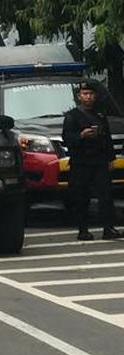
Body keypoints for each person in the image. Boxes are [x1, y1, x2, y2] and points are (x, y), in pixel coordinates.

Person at [62, 81, 123, 240]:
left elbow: (107, 138)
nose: (88, 97)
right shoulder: (72, 116)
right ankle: (83, 230)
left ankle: (108, 228)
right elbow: (67, 138)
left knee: (106, 195)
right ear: (79, 96)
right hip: (81, 162)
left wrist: (111, 158)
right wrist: (81, 136)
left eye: (91, 94)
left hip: (100, 161)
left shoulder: (100, 115)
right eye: (85, 94)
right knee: (81, 196)